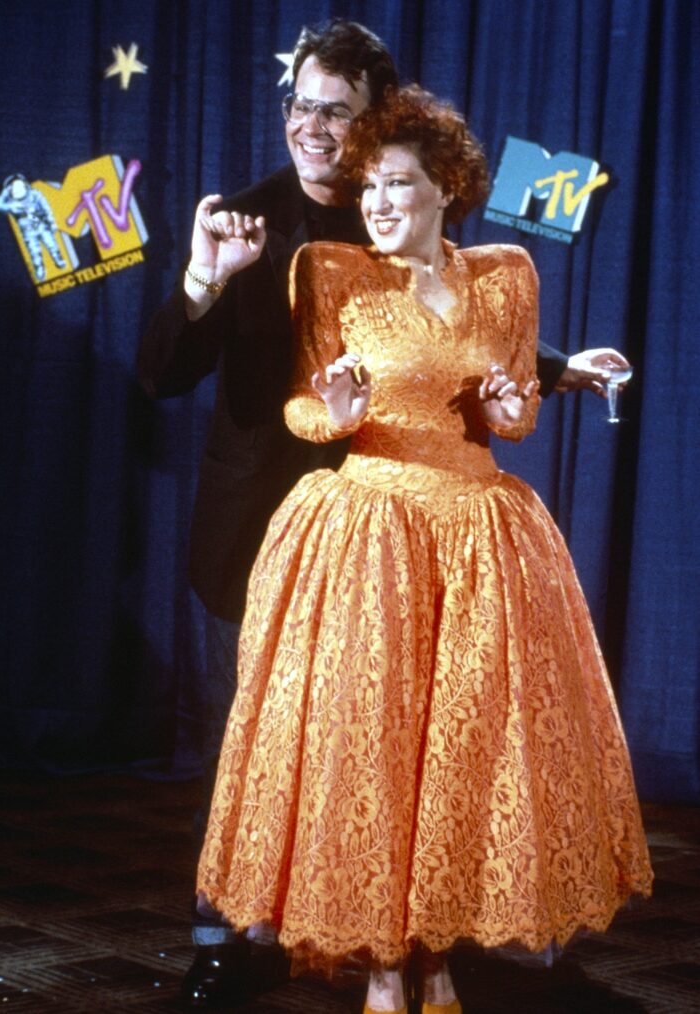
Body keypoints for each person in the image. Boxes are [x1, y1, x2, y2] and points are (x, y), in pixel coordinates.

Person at [137, 18, 632, 1006]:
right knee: (271, 734)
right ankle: (236, 936)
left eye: (334, 111)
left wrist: (550, 374)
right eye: (298, 106)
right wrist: (202, 278)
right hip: (278, 520)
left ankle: (417, 934)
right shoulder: (245, 222)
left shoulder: (408, 231)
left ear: (374, 125)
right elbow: (163, 373)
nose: (311, 128)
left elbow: (449, 345)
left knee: (409, 737)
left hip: (416, 522)